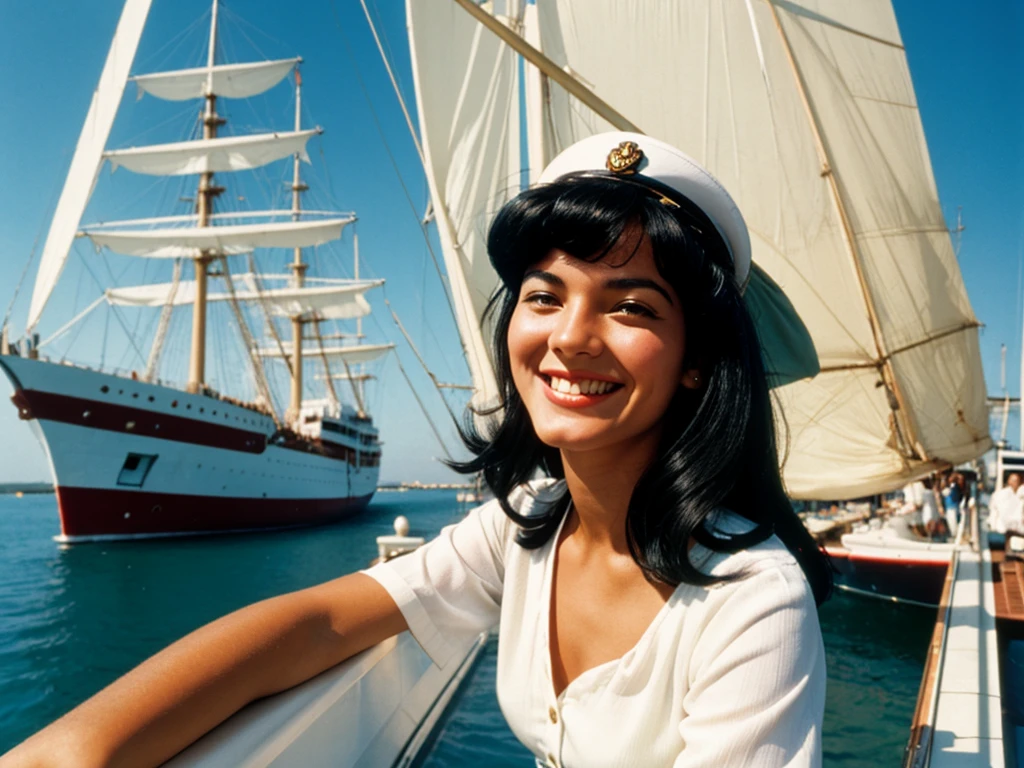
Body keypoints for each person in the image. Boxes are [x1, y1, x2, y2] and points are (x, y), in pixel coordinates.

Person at [0, 133, 832, 768]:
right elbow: (323, 620)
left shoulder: (752, 602)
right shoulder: (533, 527)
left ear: (696, 364)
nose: (570, 338)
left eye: (632, 308)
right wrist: (73, 749)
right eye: (543, 296)